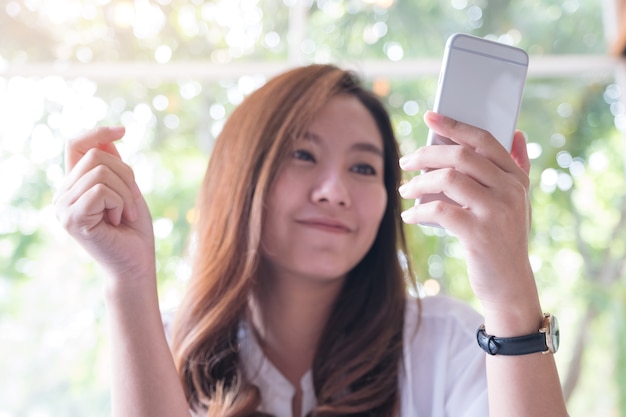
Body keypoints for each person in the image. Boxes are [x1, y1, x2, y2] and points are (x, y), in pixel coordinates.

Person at [54, 64, 568, 417]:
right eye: (303, 155)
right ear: (241, 178)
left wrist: (509, 290)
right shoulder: (161, 343)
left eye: (364, 167)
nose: (335, 191)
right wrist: (129, 279)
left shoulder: (449, 341)